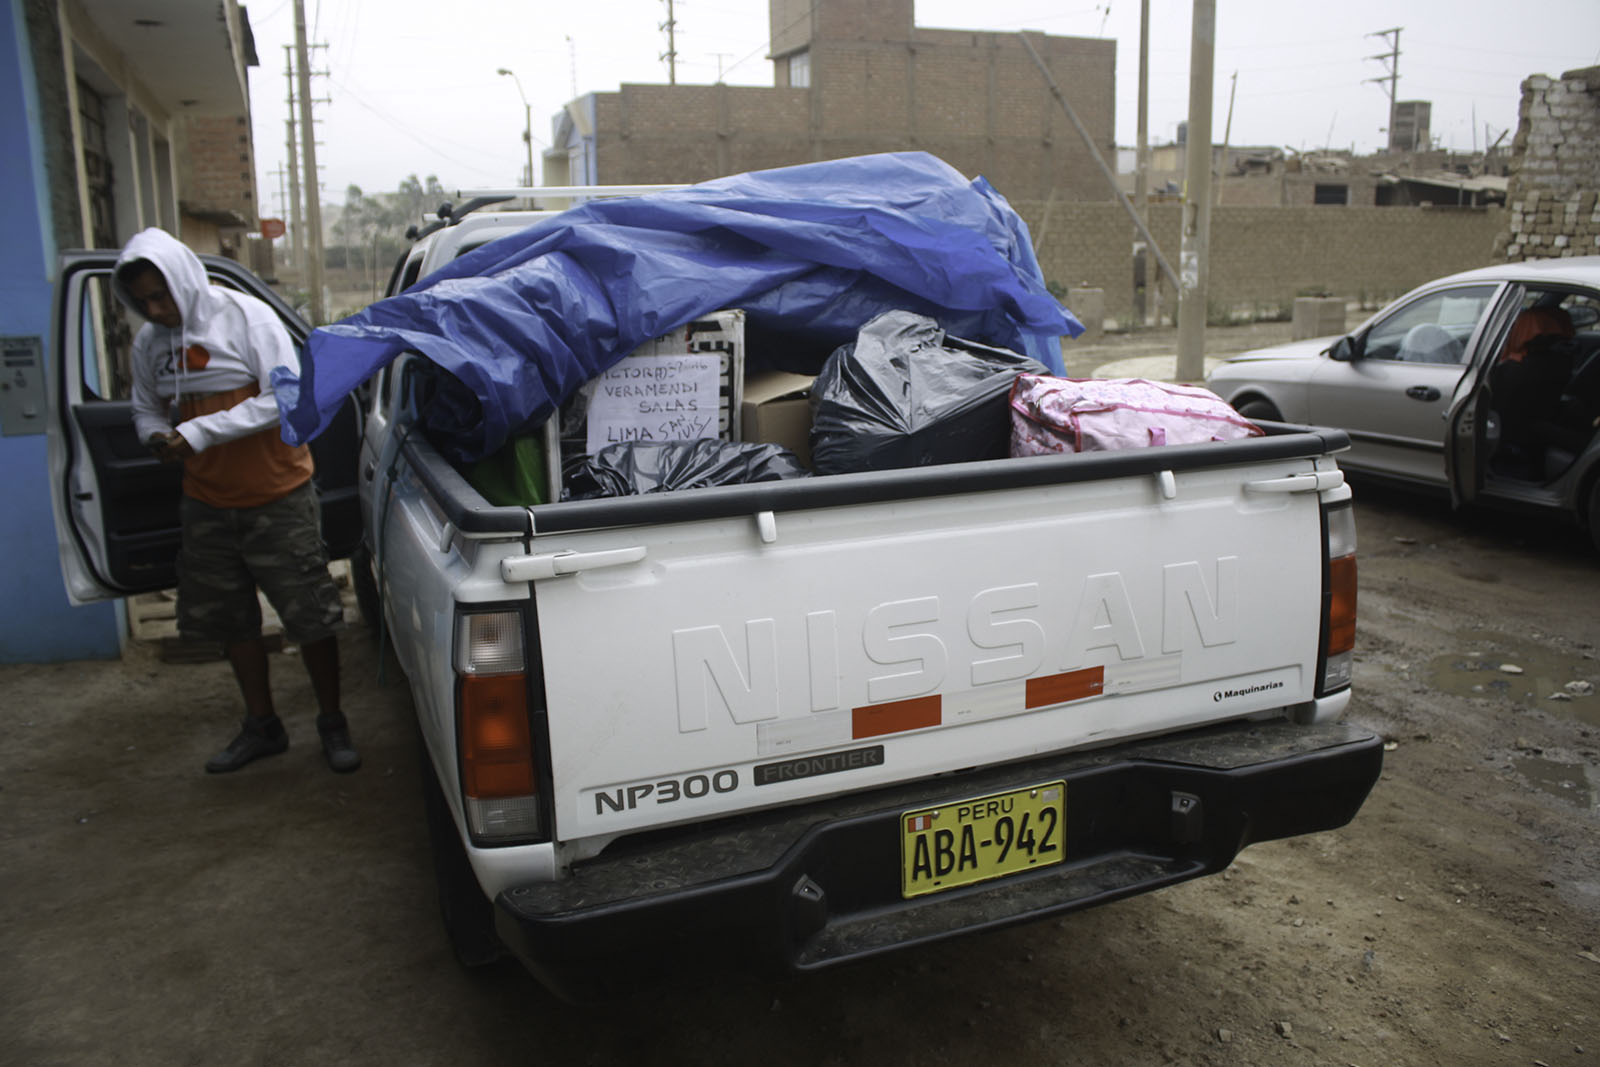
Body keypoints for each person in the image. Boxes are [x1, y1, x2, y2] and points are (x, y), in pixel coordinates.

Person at [113, 228, 359, 774]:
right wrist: (155, 435)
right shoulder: (150, 342)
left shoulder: (246, 318)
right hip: (205, 503)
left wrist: (199, 433)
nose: (155, 308)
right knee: (232, 622)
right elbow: (144, 408)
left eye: (162, 295)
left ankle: (332, 722)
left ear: (183, 281)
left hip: (278, 496)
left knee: (311, 616)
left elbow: (286, 397)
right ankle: (262, 725)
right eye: (143, 301)